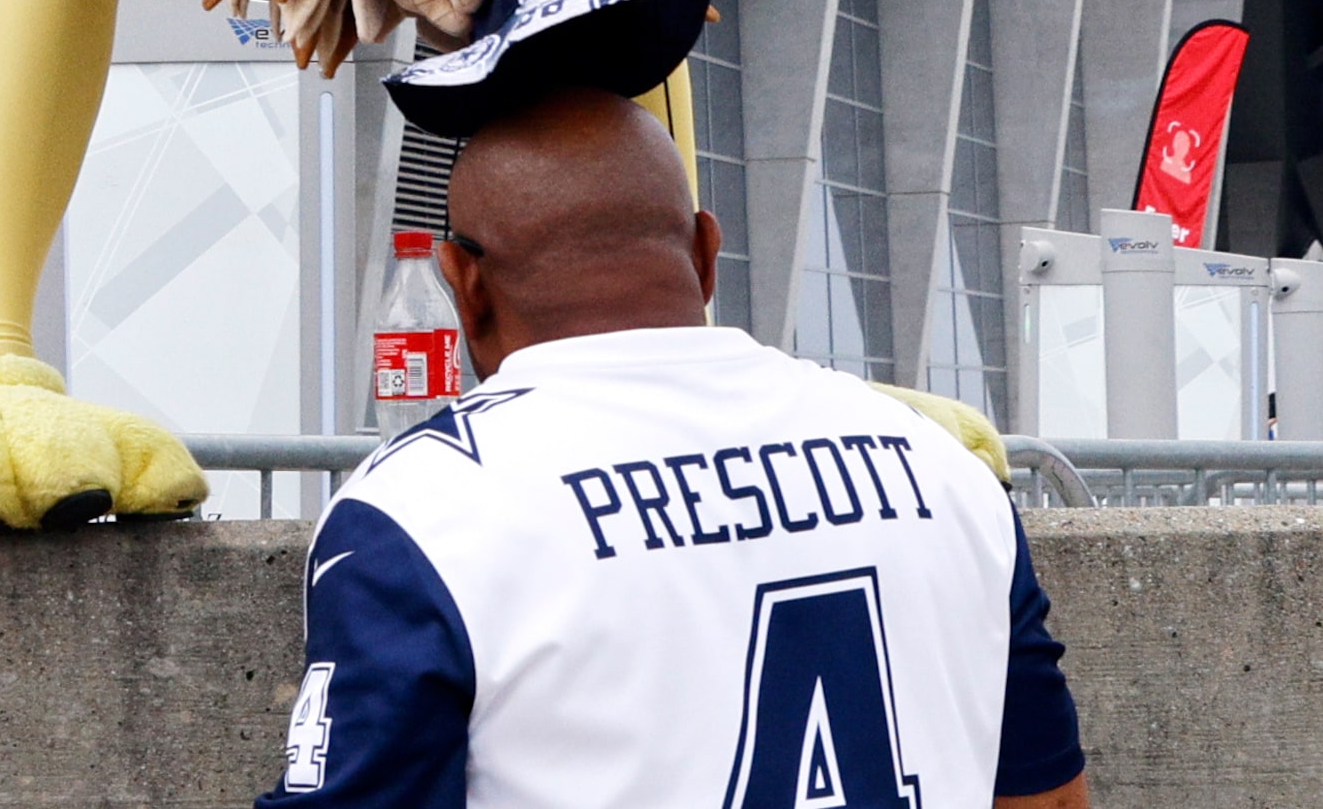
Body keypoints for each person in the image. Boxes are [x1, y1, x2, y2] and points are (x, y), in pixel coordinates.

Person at [256, 89, 1086, 808]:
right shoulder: (937, 465)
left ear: (462, 281)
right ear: (704, 252)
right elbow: (1045, 792)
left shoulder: (425, 509)